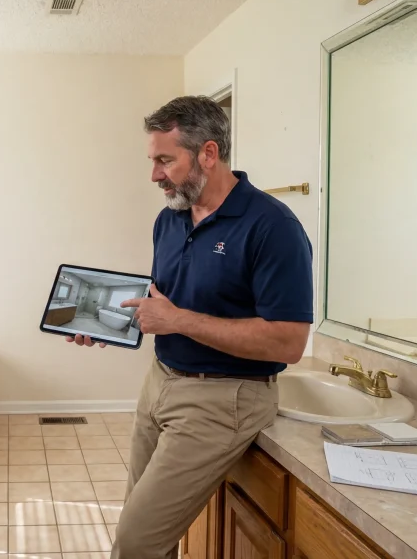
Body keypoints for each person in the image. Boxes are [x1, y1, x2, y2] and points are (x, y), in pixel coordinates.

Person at [68, 95, 313, 558]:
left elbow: (290, 340)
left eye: (165, 160)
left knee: (136, 541)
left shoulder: (272, 226)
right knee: (147, 531)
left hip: (224, 397)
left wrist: (177, 320)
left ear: (208, 153)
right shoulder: (170, 219)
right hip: (160, 383)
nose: (154, 174)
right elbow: (164, 305)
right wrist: (111, 325)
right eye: (153, 160)